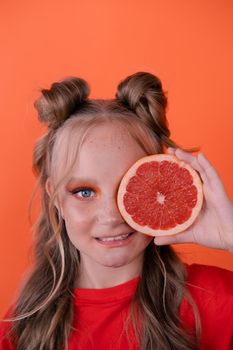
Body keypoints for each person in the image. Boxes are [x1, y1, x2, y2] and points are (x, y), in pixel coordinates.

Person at [0, 72, 233, 350]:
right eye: (84, 192)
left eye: (128, 188)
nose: (112, 216)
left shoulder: (215, 299)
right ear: (55, 198)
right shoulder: (21, 328)